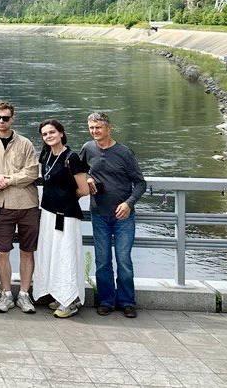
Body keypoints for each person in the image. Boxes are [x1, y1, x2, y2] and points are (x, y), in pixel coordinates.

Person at [0, 100, 41, 314]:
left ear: (13, 119)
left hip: (28, 203)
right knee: (2, 250)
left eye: (5, 118)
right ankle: (5, 294)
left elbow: (32, 172)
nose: (1, 122)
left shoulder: (25, 143)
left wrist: (8, 180)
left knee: (27, 250)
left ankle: (23, 294)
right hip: (2, 204)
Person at [80, 111, 146, 318]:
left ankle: (127, 302)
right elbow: (78, 171)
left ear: (109, 128)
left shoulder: (124, 153)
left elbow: (140, 183)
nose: (94, 131)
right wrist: (88, 179)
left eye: (98, 127)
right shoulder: (87, 148)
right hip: (99, 214)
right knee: (103, 260)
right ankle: (106, 301)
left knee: (123, 259)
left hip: (123, 216)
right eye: (91, 128)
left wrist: (129, 203)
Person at [34, 118, 89, 318]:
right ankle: (58, 294)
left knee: (66, 256)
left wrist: (65, 199)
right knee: (52, 255)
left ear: (61, 133)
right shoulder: (46, 155)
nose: (49, 136)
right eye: (45, 134)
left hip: (66, 215)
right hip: (48, 213)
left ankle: (70, 300)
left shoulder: (72, 157)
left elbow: (83, 189)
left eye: (52, 132)